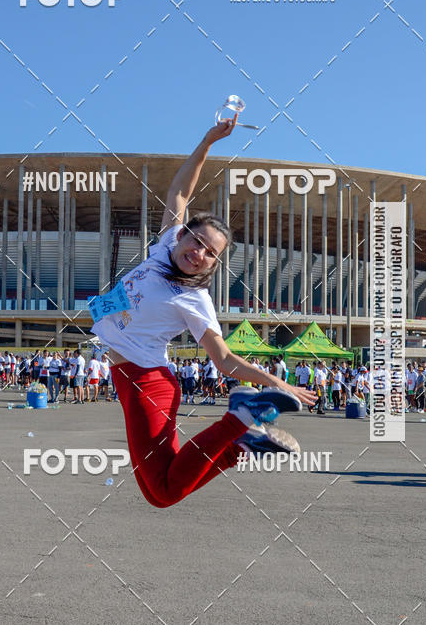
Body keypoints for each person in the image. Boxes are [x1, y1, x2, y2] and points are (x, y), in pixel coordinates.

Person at [90, 116, 315, 509]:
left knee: (163, 493)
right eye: (197, 242)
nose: (199, 254)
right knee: (157, 489)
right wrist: (209, 140)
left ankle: (240, 417)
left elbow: (224, 359)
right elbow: (179, 191)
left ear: (214, 263)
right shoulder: (163, 248)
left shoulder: (194, 299)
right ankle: (240, 446)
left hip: (148, 383)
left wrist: (275, 383)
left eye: (211, 253)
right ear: (183, 235)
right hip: (127, 378)